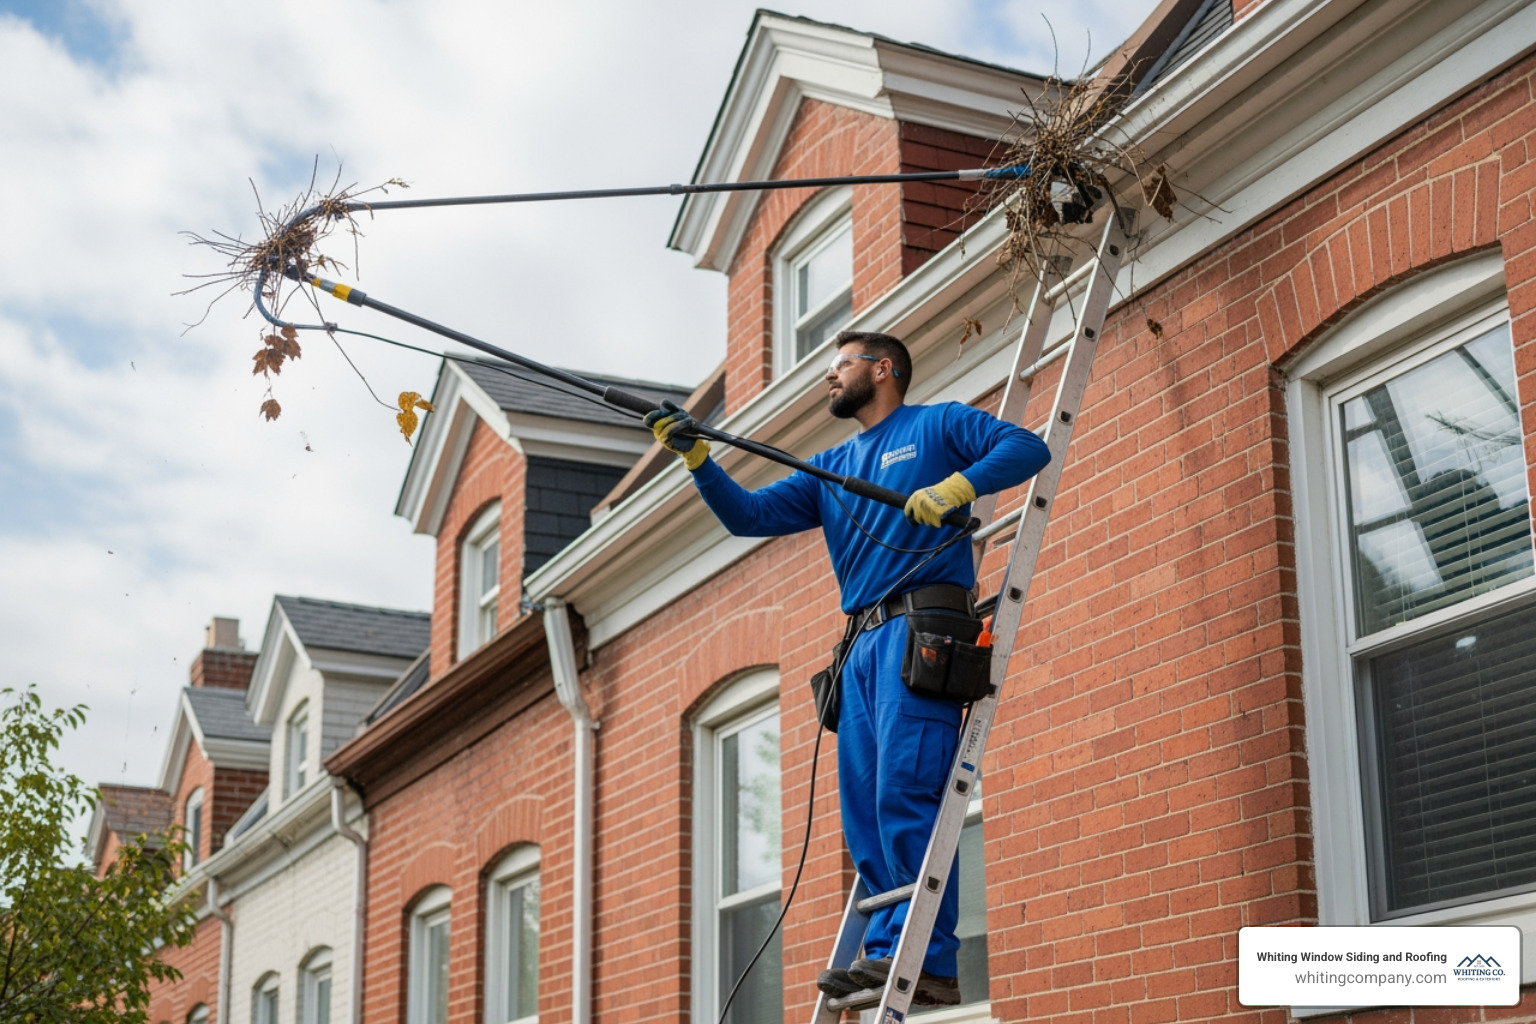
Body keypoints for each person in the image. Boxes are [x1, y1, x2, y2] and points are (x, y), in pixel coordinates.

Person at [646, 330, 1050, 1006]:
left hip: (917, 627)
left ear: (882, 369)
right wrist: (697, 459)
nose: (829, 379)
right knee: (863, 807)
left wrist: (958, 486)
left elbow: (1027, 447)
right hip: (859, 646)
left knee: (905, 789)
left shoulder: (937, 425)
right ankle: (891, 947)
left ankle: (931, 962)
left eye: (840, 367)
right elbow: (748, 516)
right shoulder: (830, 468)